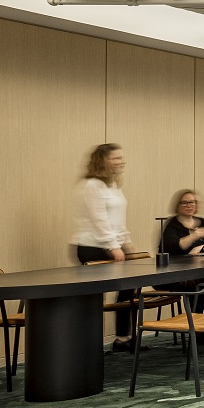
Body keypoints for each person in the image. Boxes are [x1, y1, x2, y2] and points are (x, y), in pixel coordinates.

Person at [72, 142, 134, 350]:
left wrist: (126, 240)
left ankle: (123, 338)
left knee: (128, 289)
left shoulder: (112, 185)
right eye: (116, 157)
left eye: (121, 157)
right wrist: (113, 246)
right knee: (94, 297)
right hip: (92, 246)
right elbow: (98, 219)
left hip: (112, 244)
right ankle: (88, 344)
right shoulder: (93, 185)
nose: (121, 161)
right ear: (103, 160)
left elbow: (116, 219)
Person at [158, 189, 204, 340]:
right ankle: (198, 331)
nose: (189, 205)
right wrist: (193, 237)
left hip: (203, 270)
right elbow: (172, 247)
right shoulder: (172, 225)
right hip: (177, 274)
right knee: (192, 283)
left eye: (192, 202)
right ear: (178, 205)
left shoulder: (203, 222)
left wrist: (198, 249)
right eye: (185, 202)